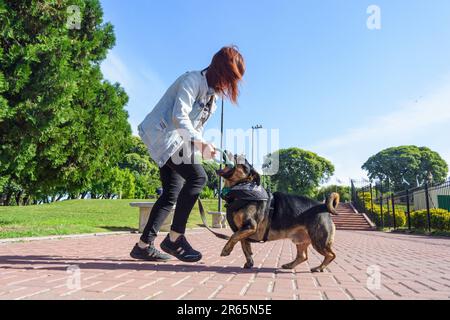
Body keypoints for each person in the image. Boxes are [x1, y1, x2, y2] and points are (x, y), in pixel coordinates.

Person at [130, 46, 245, 263]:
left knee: (171, 192)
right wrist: (199, 144)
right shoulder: (192, 80)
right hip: (162, 134)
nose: (231, 85)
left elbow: (196, 127)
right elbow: (178, 117)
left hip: (177, 140)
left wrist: (201, 148)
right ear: (220, 70)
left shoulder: (214, 98)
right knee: (198, 177)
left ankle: (143, 246)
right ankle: (175, 238)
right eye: (230, 78)